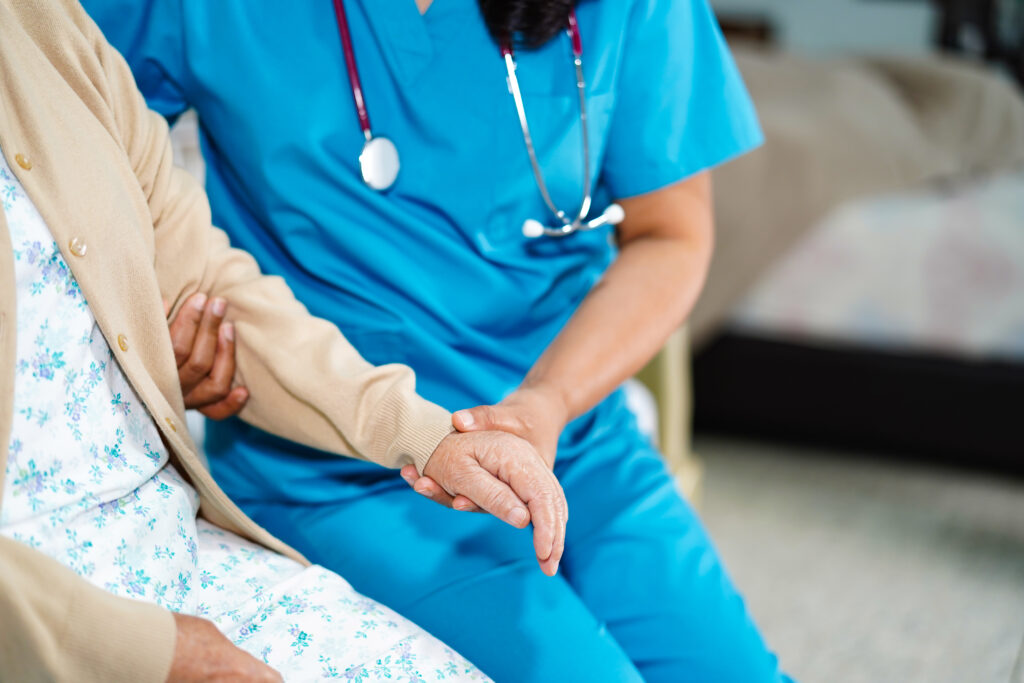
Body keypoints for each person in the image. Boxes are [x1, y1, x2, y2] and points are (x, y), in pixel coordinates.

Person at [84, 0, 791, 680]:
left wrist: (547, 401)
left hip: (571, 435)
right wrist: (158, 329)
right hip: (342, 465)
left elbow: (671, 234)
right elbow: (75, 173)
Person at [0, 1, 570, 680]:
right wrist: (157, 654)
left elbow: (196, 277)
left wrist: (430, 434)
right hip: (46, 614)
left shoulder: (44, 29)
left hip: (168, 547)